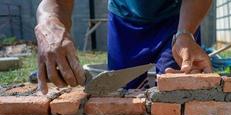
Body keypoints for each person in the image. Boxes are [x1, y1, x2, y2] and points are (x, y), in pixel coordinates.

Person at [35, 0, 212, 94]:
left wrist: (185, 33)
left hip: (177, 19)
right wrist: (49, 20)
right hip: (124, 23)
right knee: (121, 96)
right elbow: (56, 2)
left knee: (177, 92)